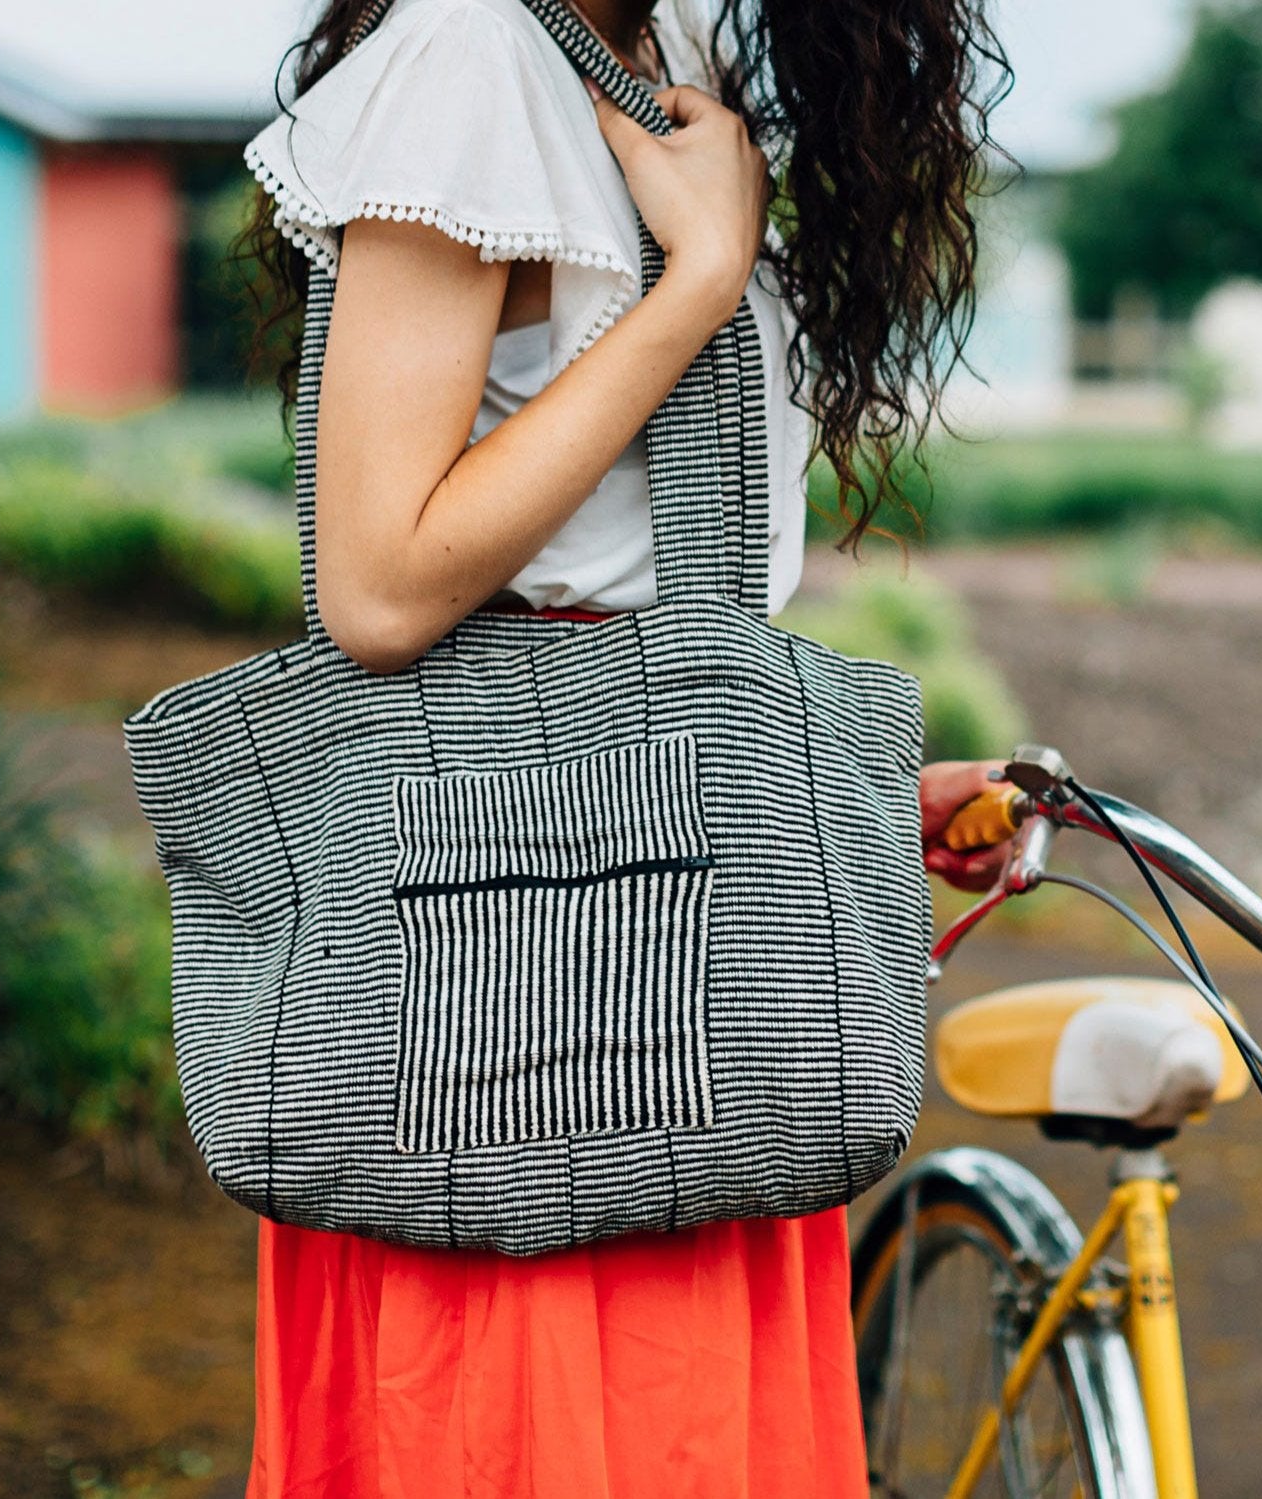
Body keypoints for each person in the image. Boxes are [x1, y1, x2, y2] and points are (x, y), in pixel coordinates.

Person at [237, 0, 1012, 1492]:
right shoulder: (472, 56)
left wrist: (821, 805)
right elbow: (381, 587)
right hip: (516, 1007)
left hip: (664, 966)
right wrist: (703, 274)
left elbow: (635, 582)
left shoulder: (665, 52)